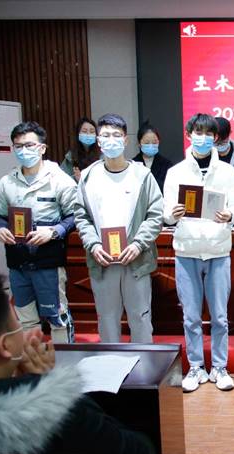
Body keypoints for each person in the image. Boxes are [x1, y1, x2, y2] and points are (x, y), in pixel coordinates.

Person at [0, 264, 155, 454]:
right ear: (5, 346)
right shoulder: (57, 414)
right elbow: (141, 451)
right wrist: (53, 390)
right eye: (17, 321)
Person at [163, 113, 234, 392]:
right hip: (186, 251)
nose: (202, 138)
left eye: (207, 134)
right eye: (197, 132)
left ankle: (220, 367)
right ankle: (196, 367)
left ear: (215, 137)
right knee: (191, 317)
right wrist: (172, 214)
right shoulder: (176, 172)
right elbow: (165, 211)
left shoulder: (227, 172)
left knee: (220, 317)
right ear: (189, 135)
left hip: (218, 250)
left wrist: (231, 215)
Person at [74, 113, 163, 343]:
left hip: (136, 260)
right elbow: (81, 216)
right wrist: (93, 245)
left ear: (125, 140)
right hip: (102, 261)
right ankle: (111, 363)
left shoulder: (142, 175)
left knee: (140, 318)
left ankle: (144, 364)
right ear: (98, 140)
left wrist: (138, 244)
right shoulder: (88, 177)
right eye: (105, 135)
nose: (111, 140)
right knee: (107, 319)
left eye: (116, 135)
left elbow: (155, 214)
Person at [0, 121, 76, 343]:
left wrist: (54, 232)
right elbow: (0, 216)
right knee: (25, 319)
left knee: (57, 317)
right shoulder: (5, 183)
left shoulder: (60, 180)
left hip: (48, 261)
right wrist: (0, 228)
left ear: (42, 148)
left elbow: (74, 216)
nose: (24, 151)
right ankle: (32, 360)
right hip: (18, 262)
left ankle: (64, 361)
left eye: (29, 145)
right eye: (18, 146)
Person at [132, 121, 173, 193]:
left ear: (158, 142)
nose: (151, 145)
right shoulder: (133, 164)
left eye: (154, 142)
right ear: (139, 143)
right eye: (147, 142)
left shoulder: (167, 165)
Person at [60, 117, 101, 182]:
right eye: (84, 131)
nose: (88, 134)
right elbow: (62, 179)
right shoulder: (71, 156)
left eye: (92, 131)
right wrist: (76, 179)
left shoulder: (103, 154)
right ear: (78, 134)